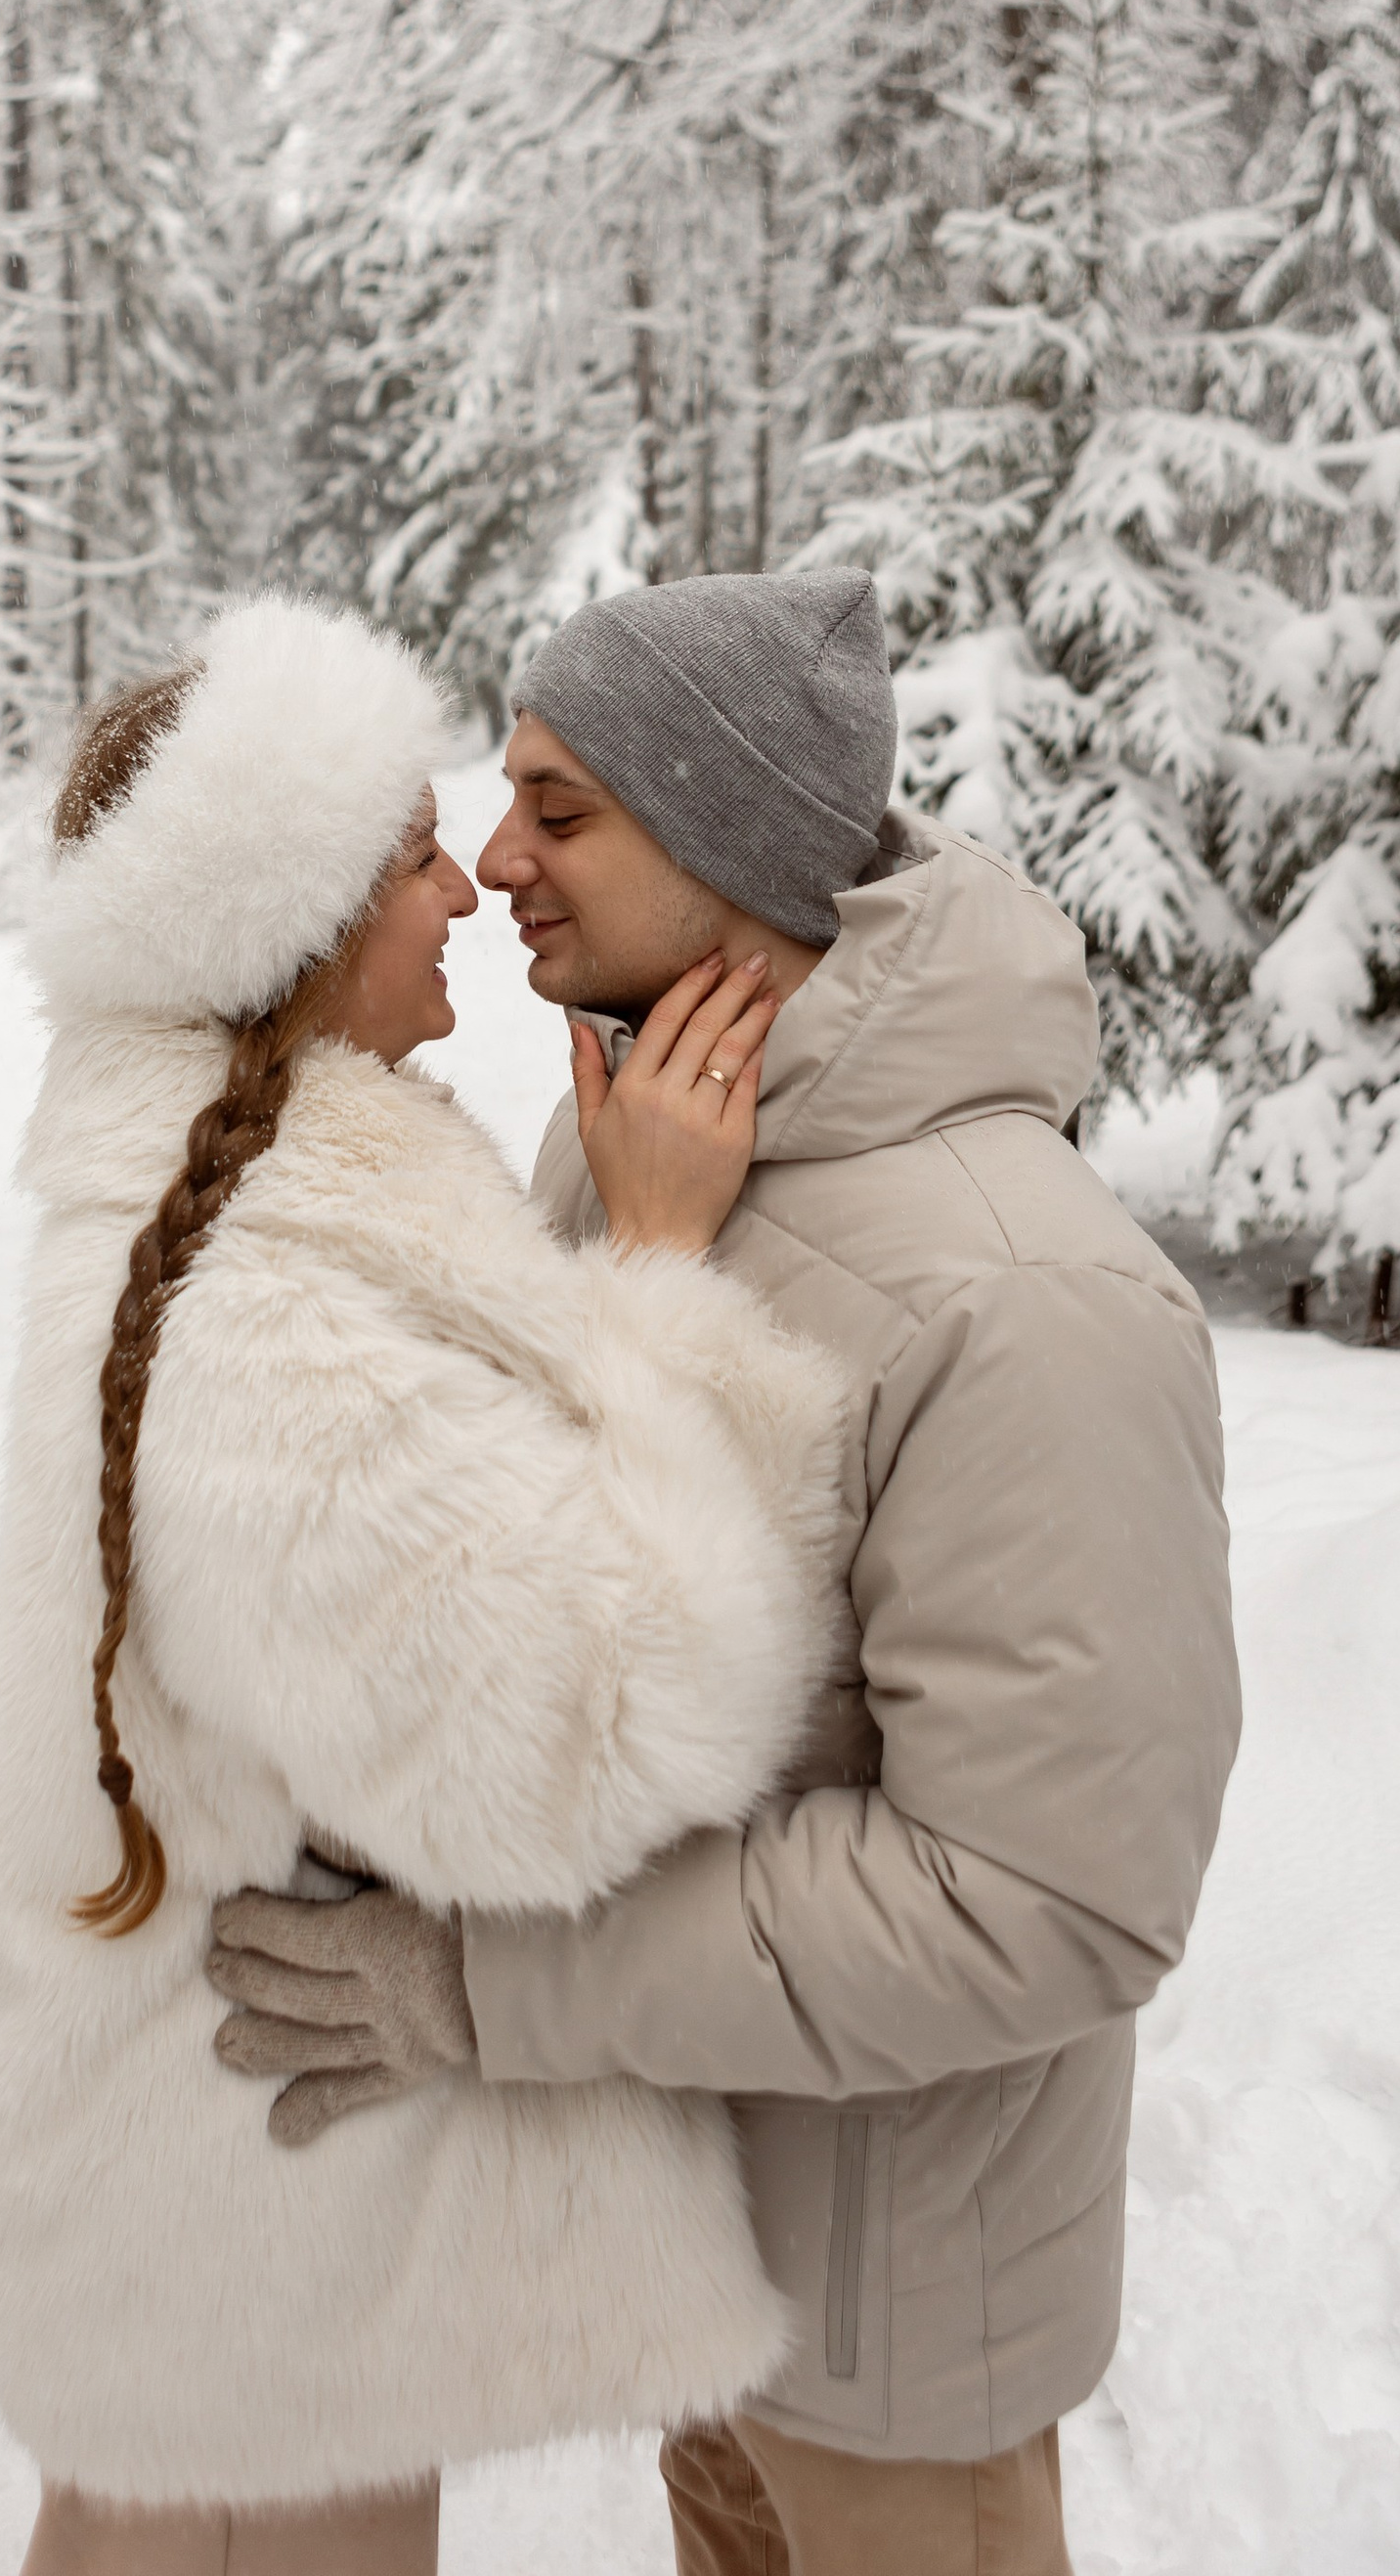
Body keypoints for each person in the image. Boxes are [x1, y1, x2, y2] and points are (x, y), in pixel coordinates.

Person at [206, 567, 1243, 2576]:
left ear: (729, 838)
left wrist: (476, 1985)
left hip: (885, 2327)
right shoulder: (618, 1156)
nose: (493, 857)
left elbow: (1040, 1899)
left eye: (560, 809)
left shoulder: (1025, 1299)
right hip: (685, 2236)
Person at [0, 593, 852, 2573]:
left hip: (208, 2193)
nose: (464, 889)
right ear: (286, 932)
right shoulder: (265, 1322)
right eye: (410, 855)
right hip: (260, 2235)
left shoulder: (232, 1218)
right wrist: (662, 1285)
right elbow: (594, 1733)